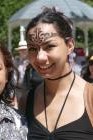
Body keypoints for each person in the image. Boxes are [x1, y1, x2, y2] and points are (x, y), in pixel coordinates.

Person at [24, 7, 93, 140]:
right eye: (32, 48)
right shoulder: (26, 101)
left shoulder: (90, 97)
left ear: (70, 45)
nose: (40, 57)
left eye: (49, 46)